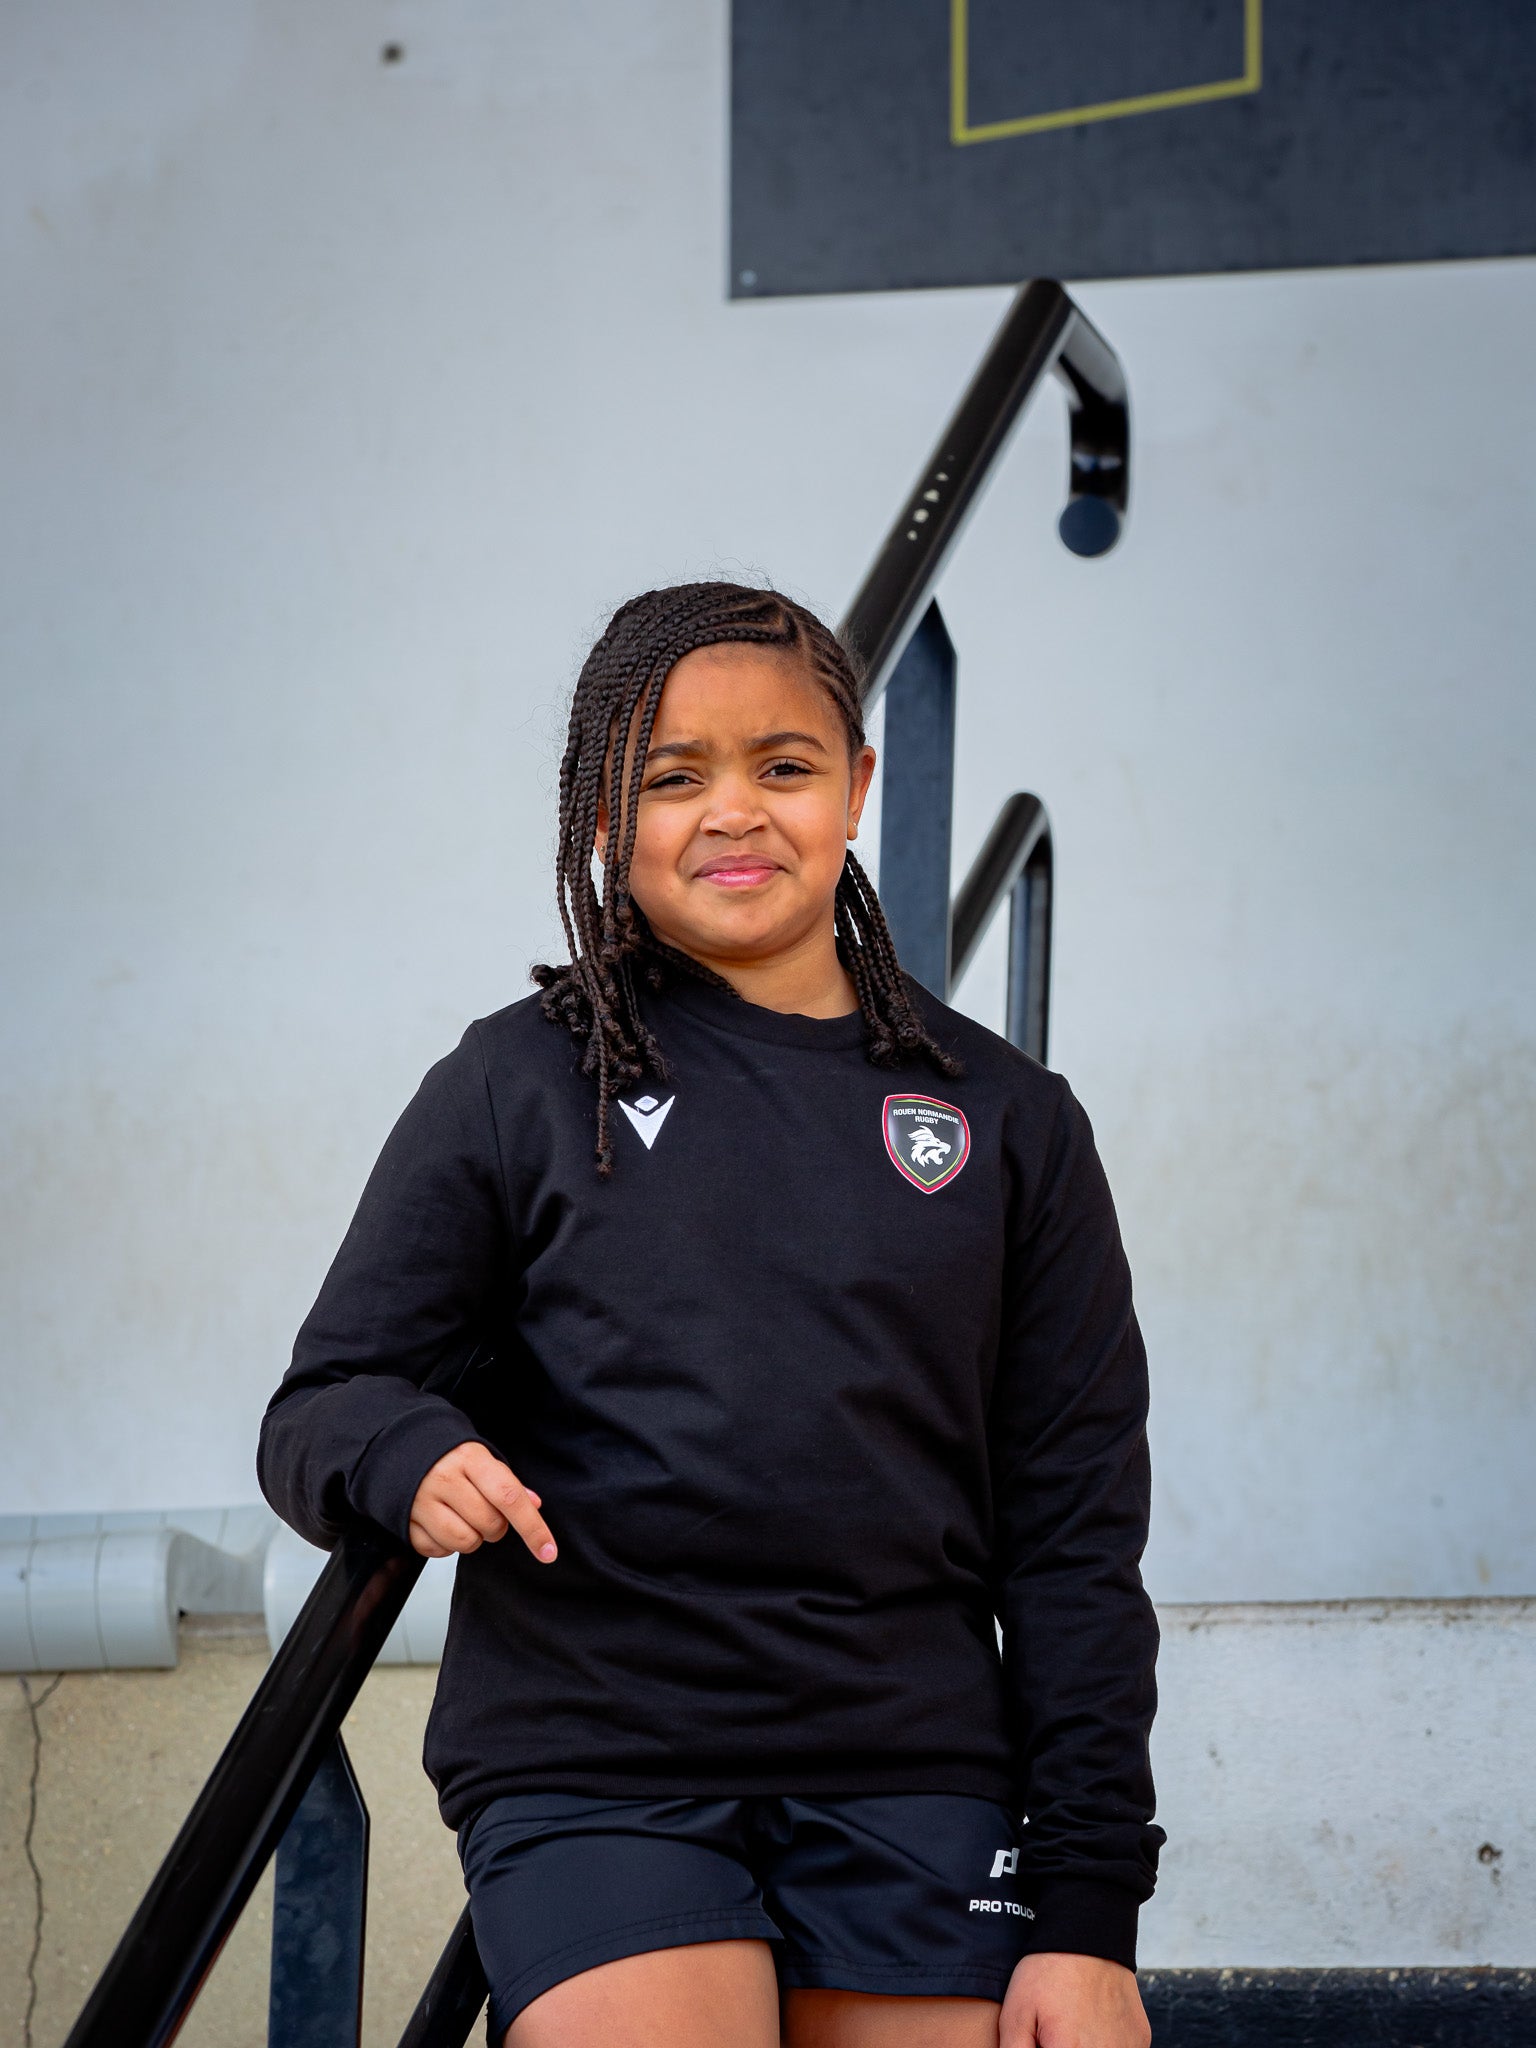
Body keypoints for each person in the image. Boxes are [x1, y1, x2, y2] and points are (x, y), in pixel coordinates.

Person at [258, 582, 1162, 2048]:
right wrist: (404, 1452)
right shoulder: (517, 1085)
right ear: (602, 819)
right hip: (598, 1755)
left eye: (782, 766)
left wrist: (1087, 1916)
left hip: (912, 1764)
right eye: (672, 777)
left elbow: (1073, 1543)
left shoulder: (1010, 1121)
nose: (732, 811)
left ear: (857, 786)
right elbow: (323, 1403)